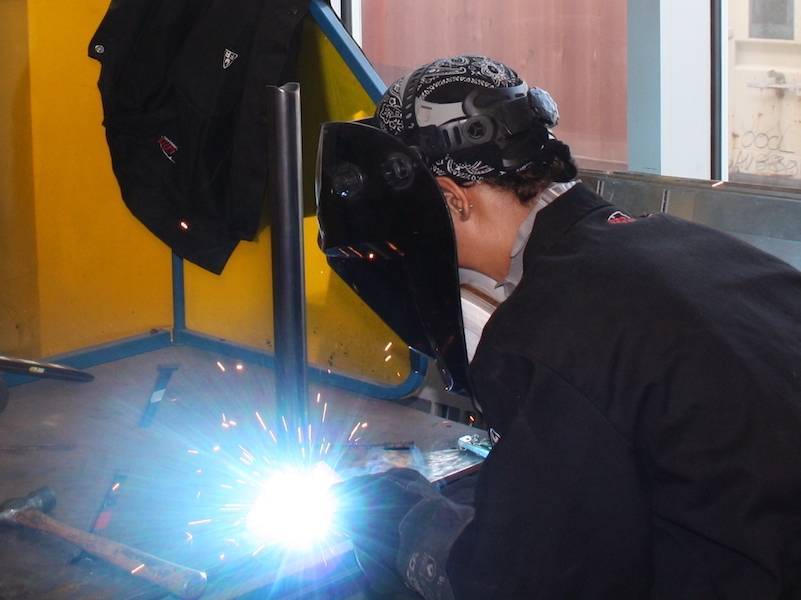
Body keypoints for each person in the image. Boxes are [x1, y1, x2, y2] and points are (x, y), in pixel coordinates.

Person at [330, 56, 801, 599]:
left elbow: (522, 584)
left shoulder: (545, 331)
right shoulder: (684, 246)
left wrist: (406, 524)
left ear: (451, 199)